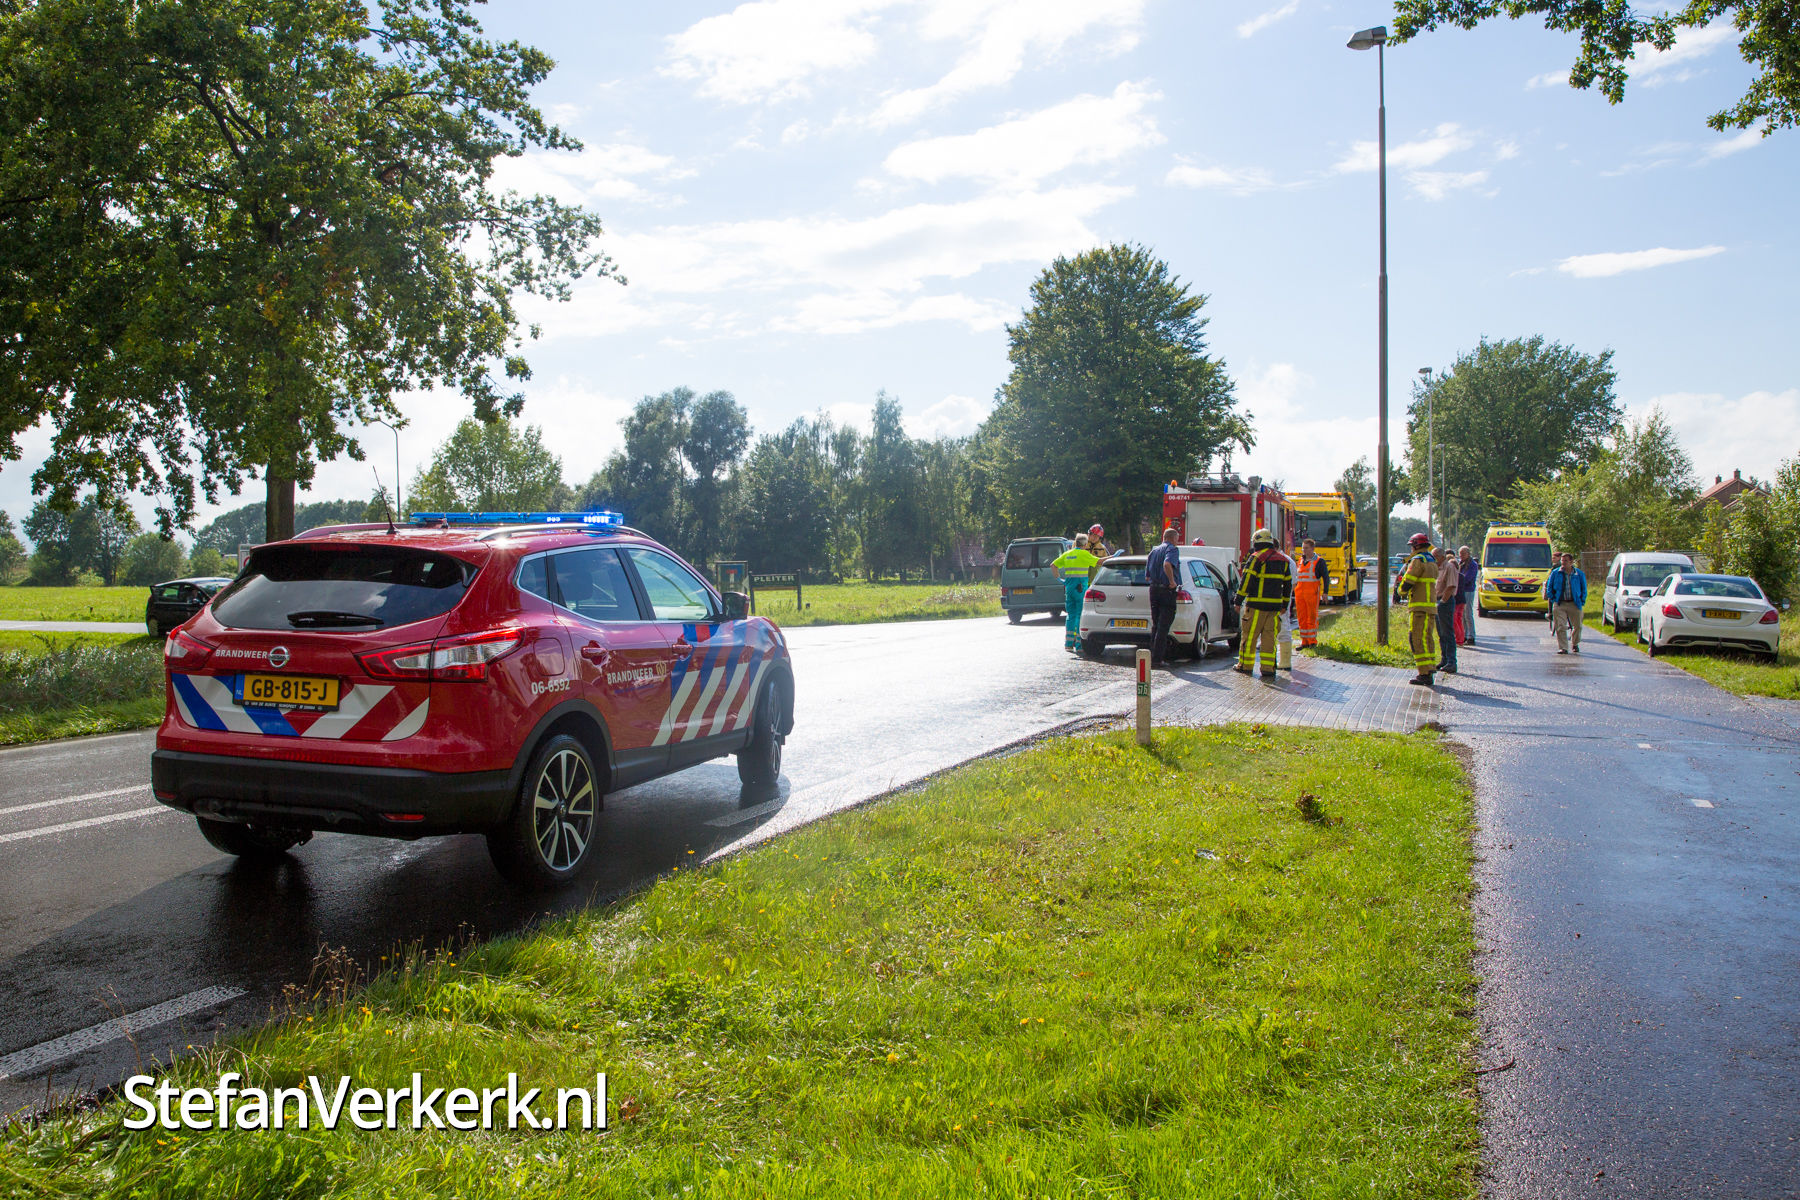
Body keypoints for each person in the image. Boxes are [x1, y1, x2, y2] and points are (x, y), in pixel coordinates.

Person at [1235, 527, 1294, 676]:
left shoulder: (1256, 558)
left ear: (1257, 542)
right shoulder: (1283, 560)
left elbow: (1246, 580)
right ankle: (1268, 669)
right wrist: (1284, 605)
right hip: (1274, 608)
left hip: (1256, 606)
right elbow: (1287, 584)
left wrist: (1238, 600)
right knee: (1269, 639)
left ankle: (1245, 666)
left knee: (1250, 637)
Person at [1395, 531, 1438, 686]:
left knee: (1416, 639)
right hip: (1430, 606)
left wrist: (1400, 592)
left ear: (1416, 545)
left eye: (1412, 546)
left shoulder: (1417, 560)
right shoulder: (1431, 560)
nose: (1411, 549)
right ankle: (1430, 667)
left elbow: (1408, 580)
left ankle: (1424, 673)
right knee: (1427, 638)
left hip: (1419, 606)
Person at [1051, 534, 1099, 653]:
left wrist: (1059, 579)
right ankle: (1078, 645)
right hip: (1080, 589)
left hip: (1069, 588)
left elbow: (1053, 565)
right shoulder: (1084, 554)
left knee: (1070, 615)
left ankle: (1068, 644)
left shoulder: (1067, 554)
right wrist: (1114, 556)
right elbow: (1100, 562)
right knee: (1079, 615)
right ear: (1085, 544)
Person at [1146, 527, 1182, 667]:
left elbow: (1148, 575)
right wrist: (1172, 581)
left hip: (1153, 589)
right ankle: (1157, 659)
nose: (1177, 542)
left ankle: (1152, 655)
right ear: (1173, 538)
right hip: (1166, 591)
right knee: (1163, 625)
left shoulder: (1153, 551)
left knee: (1155, 625)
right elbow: (1167, 564)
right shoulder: (1172, 549)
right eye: (1177, 539)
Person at [1544, 551, 1587, 654]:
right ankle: (1563, 647)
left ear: (1571, 562)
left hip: (1575, 603)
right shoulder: (1555, 573)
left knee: (1578, 626)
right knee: (1560, 626)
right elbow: (1549, 587)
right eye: (1562, 560)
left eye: (1566, 561)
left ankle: (1575, 643)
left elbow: (1584, 588)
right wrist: (1553, 598)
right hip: (1560, 603)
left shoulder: (1579, 574)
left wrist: (1581, 600)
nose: (1563, 563)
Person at [1292, 538, 1329, 648]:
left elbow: (1326, 577)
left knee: (1311, 617)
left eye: (1306, 548)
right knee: (1301, 617)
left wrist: (1325, 592)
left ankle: (1312, 641)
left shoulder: (1319, 561)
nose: (1304, 550)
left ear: (1313, 548)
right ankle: (1304, 641)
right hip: (1300, 594)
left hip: (1312, 593)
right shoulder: (1300, 561)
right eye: (1303, 548)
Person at [1434, 546, 1460, 675]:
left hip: (1446, 602)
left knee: (1448, 632)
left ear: (1442, 556)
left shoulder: (1449, 567)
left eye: (1435, 557)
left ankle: (1451, 661)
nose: (1434, 559)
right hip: (1437, 601)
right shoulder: (1437, 568)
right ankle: (1444, 659)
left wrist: (1443, 601)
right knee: (1441, 633)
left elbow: (1451, 586)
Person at [1456, 545, 1478, 645]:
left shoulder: (1472, 564)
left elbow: (1467, 578)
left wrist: (1458, 580)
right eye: (1460, 554)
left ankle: (1471, 636)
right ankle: (1464, 634)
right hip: (1461, 590)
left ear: (1468, 554)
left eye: (1463, 554)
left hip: (1468, 590)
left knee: (1468, 613)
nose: (1461, 556)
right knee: (1462, 615)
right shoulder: (1461, 563)